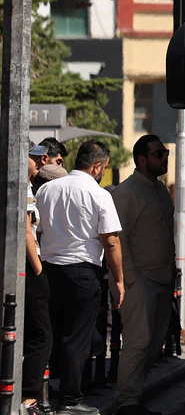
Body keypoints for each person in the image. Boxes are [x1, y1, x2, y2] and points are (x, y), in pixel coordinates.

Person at [36, 140, 124, 415]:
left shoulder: (47, 189)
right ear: (96, 166)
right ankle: (70, 400)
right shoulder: (99, 195)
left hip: (48, 270)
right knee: (77, 338)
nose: (103, 173)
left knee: (48, 335)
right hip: (82, 273)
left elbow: (37, 231)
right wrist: (119, 280)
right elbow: (111, 241)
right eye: (104, 168)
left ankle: (39, 395)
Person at [111, 135, 176, 415]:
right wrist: (131, 279)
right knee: (137, 343)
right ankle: (126, 403)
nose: (164, 158)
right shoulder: (127, 192)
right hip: (139, 281)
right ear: (141, 159)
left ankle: (133, 398)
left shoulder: (159, 189)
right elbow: (117, 239)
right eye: (159, 154)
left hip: (162, 279)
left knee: (153, 344)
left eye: (165, 152)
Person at [22, 142, 54, 415]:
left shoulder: (30, 186)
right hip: (29, 266)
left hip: (31, 264)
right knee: (41, 335)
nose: (41, 161)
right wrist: (39, 269)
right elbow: (26, 232)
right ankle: (28, 399)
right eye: (36, 157)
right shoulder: (20, 186)